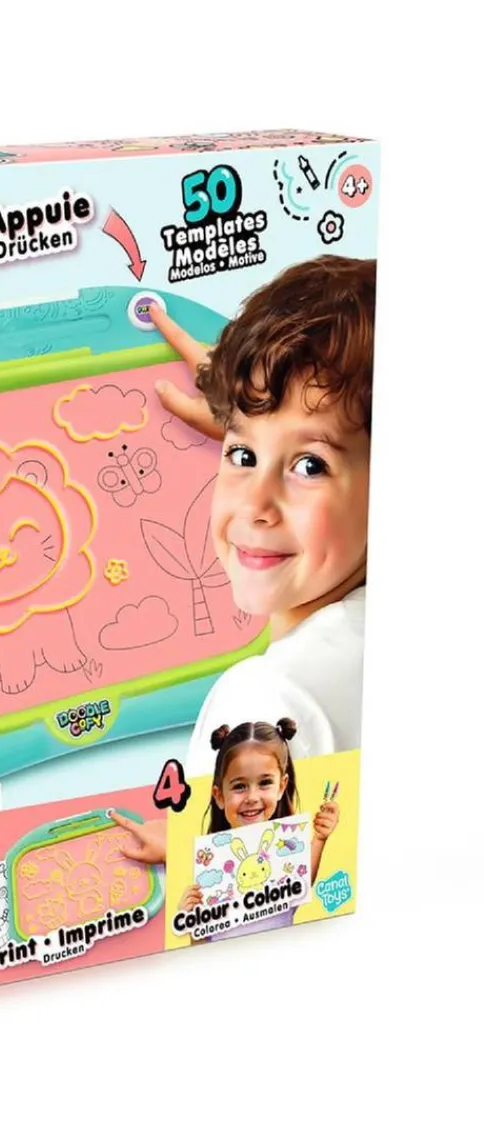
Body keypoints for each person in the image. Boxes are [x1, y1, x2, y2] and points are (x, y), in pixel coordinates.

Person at [148, 256, 374, 776]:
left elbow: (242, 838)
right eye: (241, 455)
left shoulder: (264, 704)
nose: (254, 505)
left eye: (311, 466)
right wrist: (265, 412)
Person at [177, 719, 340, 938]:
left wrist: (319, 839)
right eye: (239, 786)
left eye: (264, 783)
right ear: (219, 796)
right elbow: (203, 946)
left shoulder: (285, 851)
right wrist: (191, 922)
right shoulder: (211, 868)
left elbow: (302, 881)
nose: (252, 797)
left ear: (281, 786)